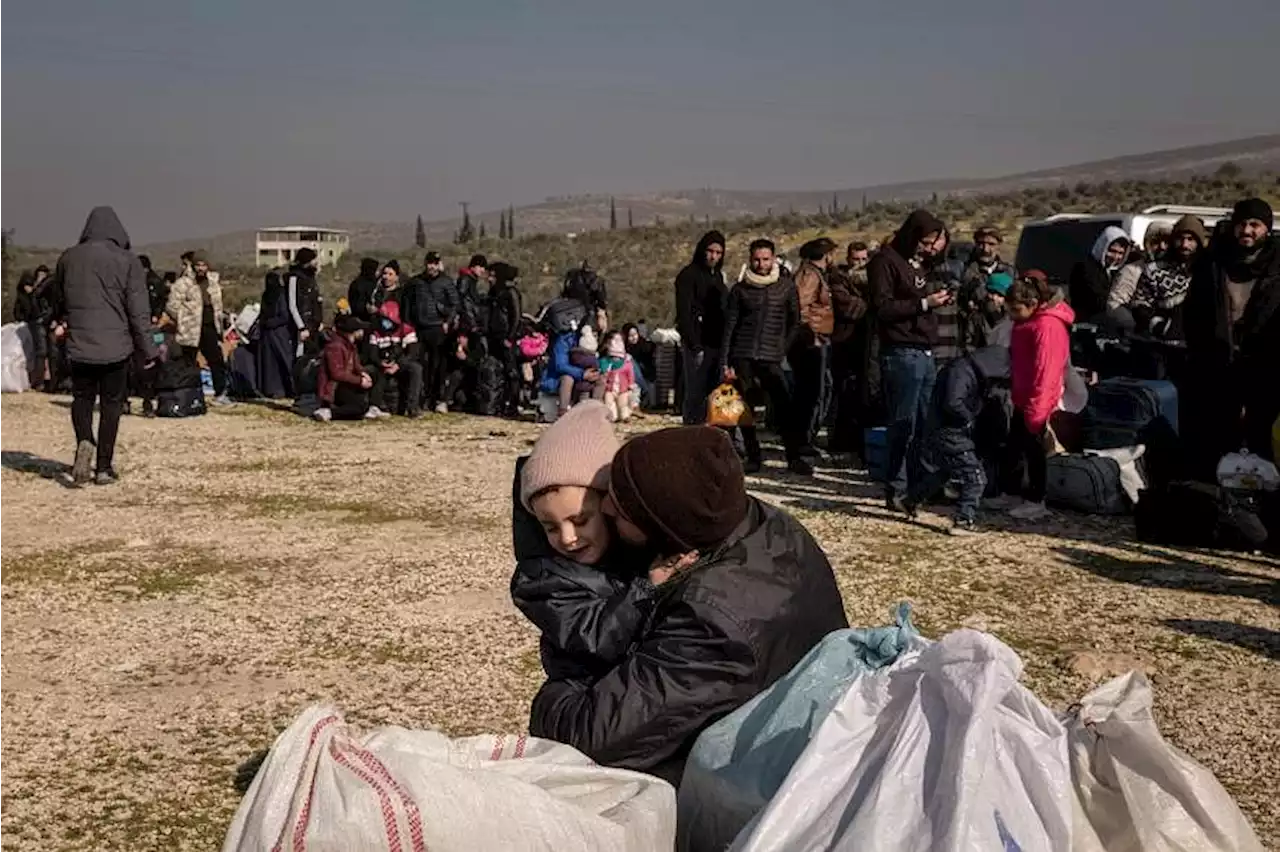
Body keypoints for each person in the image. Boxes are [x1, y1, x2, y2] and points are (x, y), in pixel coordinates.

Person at [527, 425, 848, 786]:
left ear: (663, 531)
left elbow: (588, 739)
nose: (604, 506)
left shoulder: (712, 622)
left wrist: (558, 687)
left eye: (620, 509)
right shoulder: (761, 522)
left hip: (751, 786)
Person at [511, 401, 656, 680]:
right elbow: (594, 637)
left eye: (580, 521)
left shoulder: (639, 547)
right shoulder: (541, 579)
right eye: (550, 527)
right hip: (591, 688)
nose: (568, 538)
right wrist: (648, 588)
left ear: (610, 505)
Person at [45, 206, 158, 486]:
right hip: (116, 346)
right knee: (111, 405)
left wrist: (61, 322)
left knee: (82, 399)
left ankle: (85, 439)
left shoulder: (69, 258)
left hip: (80, 344)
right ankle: (104, 467)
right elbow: (138, 311)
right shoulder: (128, 261)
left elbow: (57, 298)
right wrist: (149, 349)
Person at [1184, 198, 1280, 468]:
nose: (1247, 231)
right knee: (1218, 433)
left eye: (1255, 225)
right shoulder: (1214, 263)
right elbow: (1194, 312)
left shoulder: (1277, 266)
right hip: (1218, 361)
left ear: (1267, 229)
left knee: (1261, 431)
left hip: (1265, 362)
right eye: (1242, 224)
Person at [869, 209, 952, 510]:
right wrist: (924, 303)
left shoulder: (918, 265)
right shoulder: (884, 262)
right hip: (902, 352)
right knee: (902, 424)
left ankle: (923, 485)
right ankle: (897, 487)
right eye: (926, 242)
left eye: (934, 244)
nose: (929, 249)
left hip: (925, 351)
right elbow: (883, 308)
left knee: (926, 424)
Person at [720, 238, 809, 475]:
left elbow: (794, 322)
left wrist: (782, 349)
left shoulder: (786, 287)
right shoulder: (740, 290)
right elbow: (730, 326)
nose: (761, 264)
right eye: (757, 260)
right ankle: (753, 456)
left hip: (772, 356)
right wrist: (725, 362)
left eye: (765, 259)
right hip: (743, 354)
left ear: (773, 259)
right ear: (750, 260)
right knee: (744, 410)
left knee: (784, 407)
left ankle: (793, 456)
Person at [905, 345, 1011, 535]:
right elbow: (953, 403)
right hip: (949, 432)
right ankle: (963, 520)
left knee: (945, 472)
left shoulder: (965, 370)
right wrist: (969, 419)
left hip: (943, 432)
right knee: (975, 477)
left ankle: (910, 499)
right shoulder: (961, 372)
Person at [1007, 271, 1075, 520]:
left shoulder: (1047, 326)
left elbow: (1046, 371)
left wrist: (1037, 409)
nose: (1011, 316)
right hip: (1023, 396)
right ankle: (1017, 492)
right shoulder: (1028, 323)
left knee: (1036, 451)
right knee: (1018, 446)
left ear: (1033, 304)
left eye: (1015, 310)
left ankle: (1036, 499)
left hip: (1038, 400)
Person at [1122, 214, 1207, 341]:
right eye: (1180, 239)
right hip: (1163, 344)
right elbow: (1140, 304)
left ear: (1198, 242)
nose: (1184, 244)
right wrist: (1159, 326)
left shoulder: (1207, 270)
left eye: (1190, 239)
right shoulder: (1154, 270)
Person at [674, 230, 728, 425]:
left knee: (718, 391)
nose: (713, 256)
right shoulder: (688, 276)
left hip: (717, 342)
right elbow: (684, 313)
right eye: (710, 251)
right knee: (696, 392)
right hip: (698, 343)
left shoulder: (718, 277)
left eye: (718, 252)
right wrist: (693, 343)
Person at [165, 250, 232, 407]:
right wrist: (183, 319)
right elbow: (172, 305)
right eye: (198, 265)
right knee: (188, 362)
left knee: (216, 360)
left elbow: (217, 304)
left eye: (204, 265)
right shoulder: (183, 283)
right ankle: (188, 392)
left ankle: (220, 393)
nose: (201, 268)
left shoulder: (213, 282)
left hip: (209, 327)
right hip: (190, 329)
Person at [791, 238, 837, 454]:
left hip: (816, 337)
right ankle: (802, 439)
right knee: (812, 391)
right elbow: (799, 306)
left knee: (818, 389)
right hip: (811, 340)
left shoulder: (813, 274)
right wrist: (811, 334)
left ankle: (805, 438)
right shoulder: (809, 276)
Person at [826, 245, 871, 458]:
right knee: (841, 392)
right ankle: (838, 441)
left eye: (864, 258)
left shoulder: (869, 280)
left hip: (864, 343)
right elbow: (847, 307)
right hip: (843, 341)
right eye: (856, 259)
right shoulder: (838, 279)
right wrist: (870, 305)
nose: (860, 263)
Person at [366, 261, 424, 418]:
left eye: (390, 274)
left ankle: (413, 408)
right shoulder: (377, 330)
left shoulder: (405, 328)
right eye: (384, 273)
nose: (386, 277)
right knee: (371, 370)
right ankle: (374, 406)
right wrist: (381, 364)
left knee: (416, 369)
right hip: (381, 362)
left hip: (399, 361)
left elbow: (413, 350)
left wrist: (398, 364)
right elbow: (371, 352)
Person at [411, 251, 460, 413]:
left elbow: (455, 305)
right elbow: (409, 303)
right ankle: (420, 399)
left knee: (438, 365)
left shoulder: (446, 282)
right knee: (420, 364)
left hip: (438, 328)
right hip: (419, 328)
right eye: (429, 263)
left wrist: (448, 322)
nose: (431, 266)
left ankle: (437, 398)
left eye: (434, 263)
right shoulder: (417, 282)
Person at [314, 314, 373, 422]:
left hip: (346, 383)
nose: (362, 332)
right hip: (334, 387)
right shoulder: (335, 346)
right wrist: (359, 381)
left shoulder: (351, 346)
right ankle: (329, 412)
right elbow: (336, 374)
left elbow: (356, 365)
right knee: (359, 407)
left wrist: (363, 373)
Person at [1068, 226, 1130, 323]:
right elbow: (1098, 299)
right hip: (1088, 324)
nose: (1116, 257)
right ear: (1103, 246)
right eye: (1112, 251)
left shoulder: (1113, 271)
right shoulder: (1085, 268)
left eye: (1121, 253)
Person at [485, 262, 524, 417]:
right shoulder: (494, 292)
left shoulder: (511, 293)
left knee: (511, 372)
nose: (489, 279)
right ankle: (498, 403)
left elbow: (516, 316)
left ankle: (513, 405)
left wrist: (510, 337)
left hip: (506, 337)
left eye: (492, 275)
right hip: (494, 337)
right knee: (498, 371)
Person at [541, 324, 604, 416]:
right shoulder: (564, 340)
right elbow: (560, 365)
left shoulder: (593, 342)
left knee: (600, 380)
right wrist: (582, 374)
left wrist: (595, 372)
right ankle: (563, 409)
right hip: (560, 378)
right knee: (567, 379)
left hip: (584, 379)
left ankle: (595, 408)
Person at [284, 247, 323, 364]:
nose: (315, 263)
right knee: (300, 358)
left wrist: (318, 321)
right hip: (301, 327)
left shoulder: (311, 279)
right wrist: (301, 327)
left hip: (313, 326)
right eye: (313, 260)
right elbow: (293, 304)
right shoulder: (294, 278)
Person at [960, 271, 1014, 351]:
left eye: (1000, 295)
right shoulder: (977, 317)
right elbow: (969, 345)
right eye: (991, 292)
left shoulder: (1013, 320)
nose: (994, 297)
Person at [598, 330, 637, 422]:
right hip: (609, 389)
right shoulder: (605, 362)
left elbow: (630, 374)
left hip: (622, 389)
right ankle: (611, 415)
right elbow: (604, 374)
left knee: (622, 404)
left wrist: (631, 384)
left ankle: (625, 416)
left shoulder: (627, 363)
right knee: (609, 402)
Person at [563, 260, 608, 331]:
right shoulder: (597, 280)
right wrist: (602, 314)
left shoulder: (571, 275)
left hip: (569, 312)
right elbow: (601, 302)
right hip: (588, 314)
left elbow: (565, 293)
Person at [622, 323, 656, 408]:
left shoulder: (643, 344)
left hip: (645, 372)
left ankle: (645, 391)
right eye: (630, 336)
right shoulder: (624, 346)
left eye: (635, 335)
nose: (634, 338)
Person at [456, 254, 489, 330]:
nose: (483, 270)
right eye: (480, 266)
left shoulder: (471, 280)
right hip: (467, 323)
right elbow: (463, 302)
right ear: (473, 266)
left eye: (484, 267)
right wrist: (472, 323)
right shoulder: (466, 279)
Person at [347, 257, 381, 323]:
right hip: (361, 321)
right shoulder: (357, 285)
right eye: (375, 270)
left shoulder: (375, 283)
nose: (377, 272)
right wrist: (367, 308)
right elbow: (356, 305)